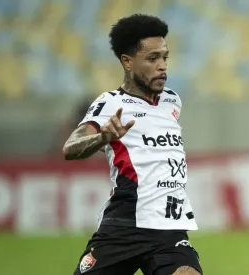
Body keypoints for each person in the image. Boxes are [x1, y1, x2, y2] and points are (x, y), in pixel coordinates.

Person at [62, 14, 202, 275]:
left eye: (165, 57)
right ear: (127, 62)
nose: (162, 66)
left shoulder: (171, 101)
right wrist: (102, 138)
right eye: (152, 58)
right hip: (124, 226)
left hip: (168, 229)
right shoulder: (111, 103)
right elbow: (71, 147)